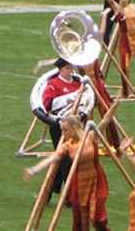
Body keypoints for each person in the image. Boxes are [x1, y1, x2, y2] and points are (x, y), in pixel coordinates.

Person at [42, 58, 93, 196]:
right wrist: (70, 97)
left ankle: (50, 190)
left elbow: (87, 99)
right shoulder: (53, 84)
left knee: (65, 159)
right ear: (60, 69)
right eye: (67, 68)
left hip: (76, 125)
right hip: (60, 126)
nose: (70, 71)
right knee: (66, 160)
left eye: (71, 68)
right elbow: (48, 105)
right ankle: (70, 195)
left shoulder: (78, 83)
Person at [57, 116, 110, 231]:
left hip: (95, 179)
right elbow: (54, 158)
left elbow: (105, 121)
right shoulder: (68, 144)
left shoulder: (90, 136)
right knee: (79, 220)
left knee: (97, 218)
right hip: (79, 183)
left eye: (65, 130)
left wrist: (117, 101)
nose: (63, 133)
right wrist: (35, 169)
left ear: (74, 128)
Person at [78, 8, 120, 148]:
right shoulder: (77, 55)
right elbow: (65, 60)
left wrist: (104, 16)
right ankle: (88, 144)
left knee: (107, 113)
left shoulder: (93, 49)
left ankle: (114, 144)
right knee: (87, 116)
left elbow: (101, 34)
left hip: (98, 85)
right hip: (86, 89)